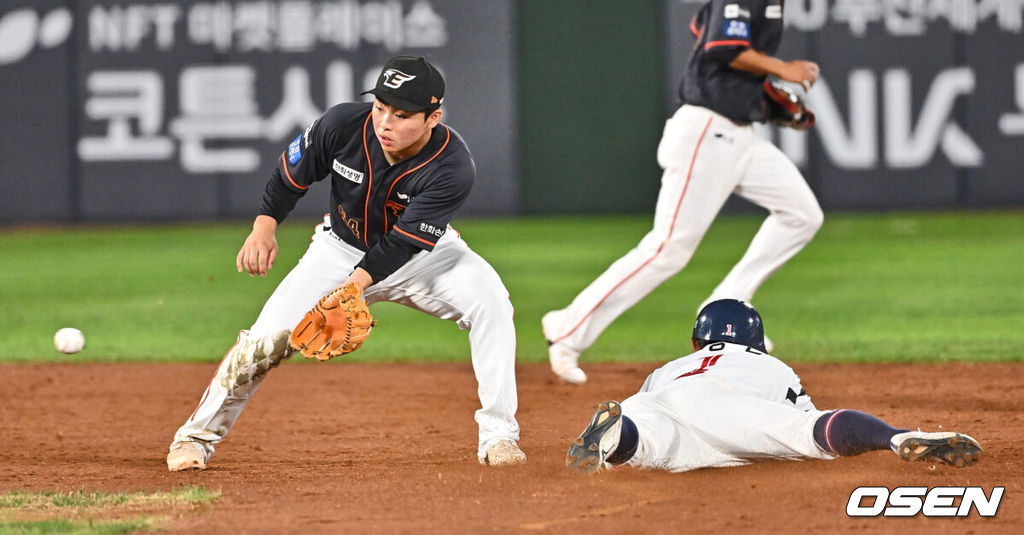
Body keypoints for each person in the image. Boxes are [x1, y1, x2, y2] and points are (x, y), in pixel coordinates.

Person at [166, 56, 525, 471]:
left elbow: (401, 245)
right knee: (261, 345)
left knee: (493, 305)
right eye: (380, 107)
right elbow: (290, 176)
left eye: (402, 114)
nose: (385, 122)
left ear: (434, 117)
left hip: (425, 256)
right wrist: (264, 227)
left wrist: (352, 288)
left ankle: (500, 436)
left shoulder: (452, 165)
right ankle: (194, 438)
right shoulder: (341, 125)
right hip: (339, 248)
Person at [542, 0, 824, 384]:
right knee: (667, 248)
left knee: (802, 214)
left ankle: (722, 302)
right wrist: (782, 69)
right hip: (706, 133)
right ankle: (566, 329)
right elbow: (723, 48)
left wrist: (769, 101)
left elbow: (702, 29)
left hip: (740, 136)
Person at [565, 299, 983, 474]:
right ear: (755, 342)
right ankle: (899, 438)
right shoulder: (770, 365)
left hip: (649, 401)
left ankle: (618, 436)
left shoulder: (672, 365)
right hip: (723, 407)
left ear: (697, 341)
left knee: (649, 448)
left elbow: (661, 400)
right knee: (807, 435)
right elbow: (809, 423)